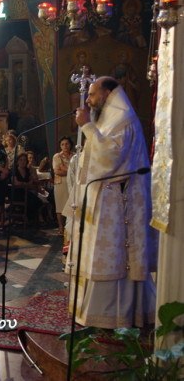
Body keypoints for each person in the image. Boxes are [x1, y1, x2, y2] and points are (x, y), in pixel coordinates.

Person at [66, 76, 157, 329]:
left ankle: (115, 315)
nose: (88, 100)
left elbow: (109, 157)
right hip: (102, 199)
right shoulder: (109, 119)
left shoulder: (123, 119)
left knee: (112, 256)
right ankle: (90, 310)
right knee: (96, 253)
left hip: (116, 203)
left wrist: (87, 126)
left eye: (93, 94)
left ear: (107, 93)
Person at [53, 136, 75, 235]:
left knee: (72, 204)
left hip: (73, 183)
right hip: (61, 183)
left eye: (67, 144)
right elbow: (57, 171)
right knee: (60, 206)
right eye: (62, 144)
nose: (65, 146)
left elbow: (78, 170)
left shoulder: (75, 156)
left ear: (70, 145)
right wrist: (71, 172)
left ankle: (71, 227)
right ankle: (61, 227)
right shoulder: (57, 156)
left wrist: (65, 170)